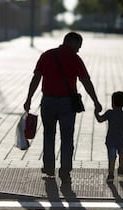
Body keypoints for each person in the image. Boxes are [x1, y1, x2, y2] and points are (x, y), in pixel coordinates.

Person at [24, 32, 102, 184]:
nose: (79, 50)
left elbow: (36, 78)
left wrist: (29, 98)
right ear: (72, 43)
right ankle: (65, 171)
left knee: (49, 135)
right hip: (67, 104)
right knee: (67, 138)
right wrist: (95, 101)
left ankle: (48, 167)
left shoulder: (47, 55)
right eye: (78, 46)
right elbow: (86, 81)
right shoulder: (75, 59)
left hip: (48, 102)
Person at [94, 91, 123, 183]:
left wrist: (96, 112)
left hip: (111, 140)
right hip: (121, 140)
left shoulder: (109, 113)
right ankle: (121, 167)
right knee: (122, 155)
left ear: (112, 103)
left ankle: (111, 174)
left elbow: (100, 119)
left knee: (111, 157)